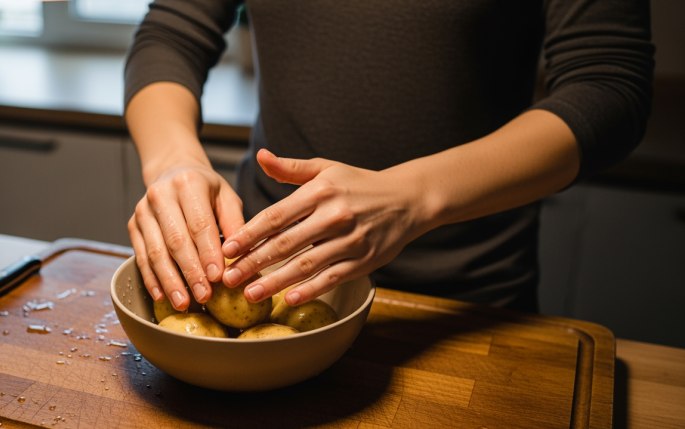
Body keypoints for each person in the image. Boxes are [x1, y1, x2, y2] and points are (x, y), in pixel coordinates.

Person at [123, 0, 654, 314]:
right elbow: (170, 34)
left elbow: (607, 86)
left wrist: (414, 196)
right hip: (268, 275)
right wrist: (174, 161)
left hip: (461, 302)